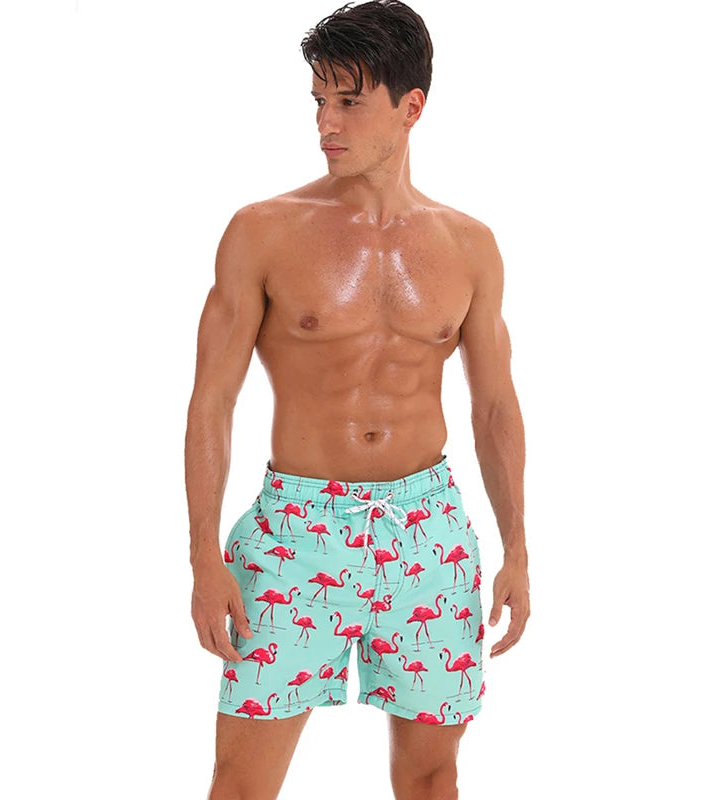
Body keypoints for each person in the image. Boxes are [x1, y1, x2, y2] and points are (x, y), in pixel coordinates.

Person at [184, 1, 530, 797]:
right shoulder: (263, 231)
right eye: (318, 100)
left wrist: (517, 549)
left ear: (412, 107)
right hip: (296, 531)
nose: (325, 123)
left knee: (433, 777)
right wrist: (203, 555)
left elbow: (494, 408)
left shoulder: (470, 246)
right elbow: (211, 402)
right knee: (241, 782)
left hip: (429, 534)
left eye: (349, 101)